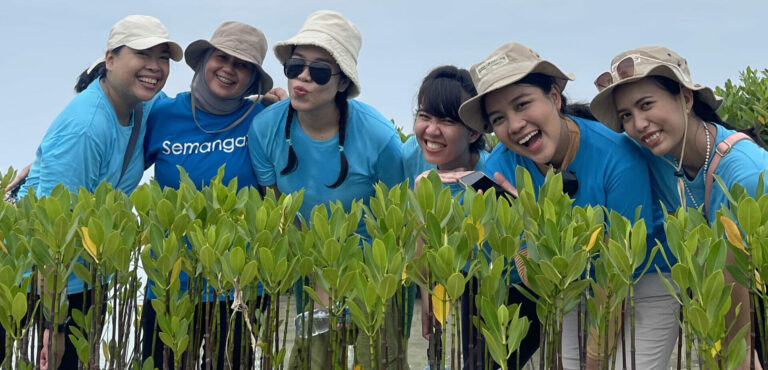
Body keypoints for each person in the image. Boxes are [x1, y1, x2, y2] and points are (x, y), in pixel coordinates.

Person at [457, 42, 676, 369]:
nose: (515, 125)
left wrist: (595, 359)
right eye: (498, 118)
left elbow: (617, 275)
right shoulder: (498, 174)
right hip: (566, 283)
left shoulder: (617, 156)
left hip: (644, 278)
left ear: (555, 98)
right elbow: (532, 280)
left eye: (522, 104)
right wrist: (525, 225)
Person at [16, 15, 182, 370]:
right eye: (143, 53)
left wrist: (261, 100)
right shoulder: (87, 126)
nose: (155, 67)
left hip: (87, 275)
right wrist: (53, 327)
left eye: (163, 57)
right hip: (35, 279)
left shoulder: (142, 103)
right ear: (110, 59)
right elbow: (51, 235)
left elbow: (191, 107)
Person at [590, 45, 768, 369]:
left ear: (686, 99)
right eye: (625, 115)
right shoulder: (657, 152)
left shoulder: (745, 173)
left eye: (646, 105)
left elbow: (737, 339)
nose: (639, 124)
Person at [247, 10, 404, 369]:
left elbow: (397, 227)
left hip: (375, 270)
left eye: (318, 71)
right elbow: (280, 211)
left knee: (379, 361)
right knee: (312, 362)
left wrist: (372, 284)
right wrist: (318, 278)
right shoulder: (265, 129)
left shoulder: (381, 140)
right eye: (295, 66)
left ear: (343, 83)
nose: (302, 77)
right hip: (312, 264)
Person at [140, 21, 279, 369]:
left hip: (238, 287)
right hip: (170, 283)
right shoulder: (162, 114)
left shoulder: (262, 118)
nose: (229, 69)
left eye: (243, 64)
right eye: (222, 57)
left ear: (252, 78)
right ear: (205, 60)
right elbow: (114, 158)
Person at [400, 65, 492, 369]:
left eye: (448, 121)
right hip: (439, 287)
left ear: (474, 131)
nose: (431, 130)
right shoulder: (412, 155)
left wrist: (477, 181)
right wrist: (428, 296)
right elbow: (419, 245)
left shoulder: (494, 170)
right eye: (425, 116)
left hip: (487, 289)